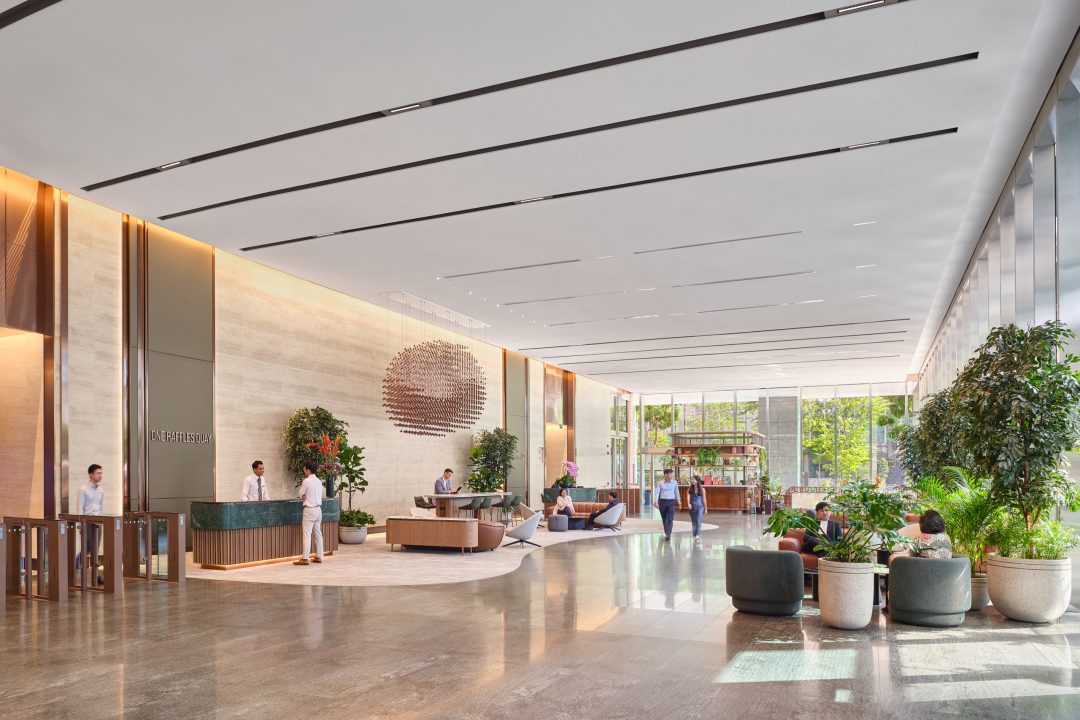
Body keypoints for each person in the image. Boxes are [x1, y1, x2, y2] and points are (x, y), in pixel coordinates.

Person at [294, 460, 325, 566]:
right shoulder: (319, 481)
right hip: (318, 510)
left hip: (309, 510)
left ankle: (305, 558)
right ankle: (319, 556)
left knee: (307, 534)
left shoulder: (307, 481)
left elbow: (301, 493)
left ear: (307, 469)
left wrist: (304, 496)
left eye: (304, 469)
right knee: (318, 533)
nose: (304, 470)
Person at [75, 464, 105, 573]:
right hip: (87, 523)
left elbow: (101, 508)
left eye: (101, 473)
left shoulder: (101, 490)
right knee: (87, 548)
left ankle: (94, 574)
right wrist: (81, 524)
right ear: (91, 475)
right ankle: (76, 565)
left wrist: (101, 522)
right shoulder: (83, 489)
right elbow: (80, 508)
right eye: (98, 473)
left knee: (95, 549)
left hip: (98, 523)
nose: (100, 475)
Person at [653, 468, 681, 542]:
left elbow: (677, 492)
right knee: (665, 519)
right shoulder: (660, 483)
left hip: (671, 502)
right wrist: (656, 501)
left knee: (670, 519)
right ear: (665, 474)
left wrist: (679, 502)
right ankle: (667, 533)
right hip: (662, 502)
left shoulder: (674, 483)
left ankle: (669, 534)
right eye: (669, 474)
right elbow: (657, 493)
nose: (671, 476)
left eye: (671, 474)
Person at [687, 474, 708, 544]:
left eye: (693, 479)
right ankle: (694, 535)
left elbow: (704, 499)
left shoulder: (702, 489)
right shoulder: (690, 489)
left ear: (697, 480)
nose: (691, 480)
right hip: (692, 507)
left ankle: (697, 535)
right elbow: (688, 497)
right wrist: (688, 504)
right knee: (693, 522)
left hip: (700, 507)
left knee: (698, 520)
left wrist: (706, 508)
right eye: (691, 479)